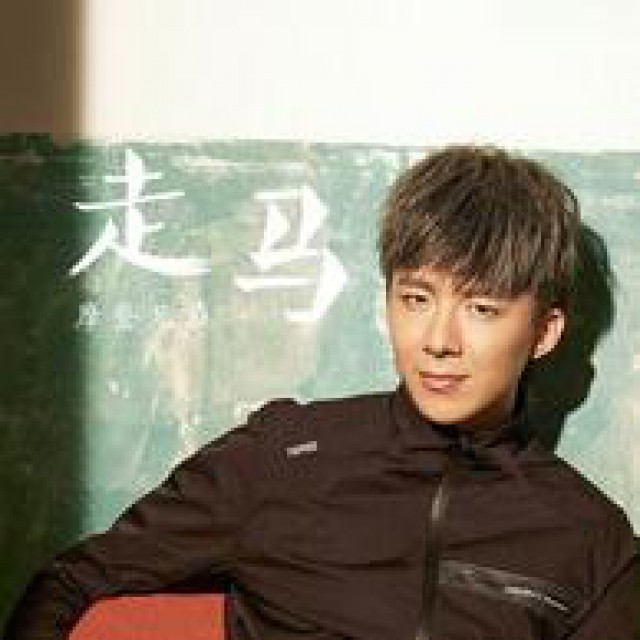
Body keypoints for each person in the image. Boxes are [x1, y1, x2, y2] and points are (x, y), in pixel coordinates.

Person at [4, 145, 637, 640]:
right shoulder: (283, 458)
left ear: (544, 331)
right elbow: (74, 579)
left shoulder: (591, 542)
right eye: (416, 299)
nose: (438, 341)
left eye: (482, 309)